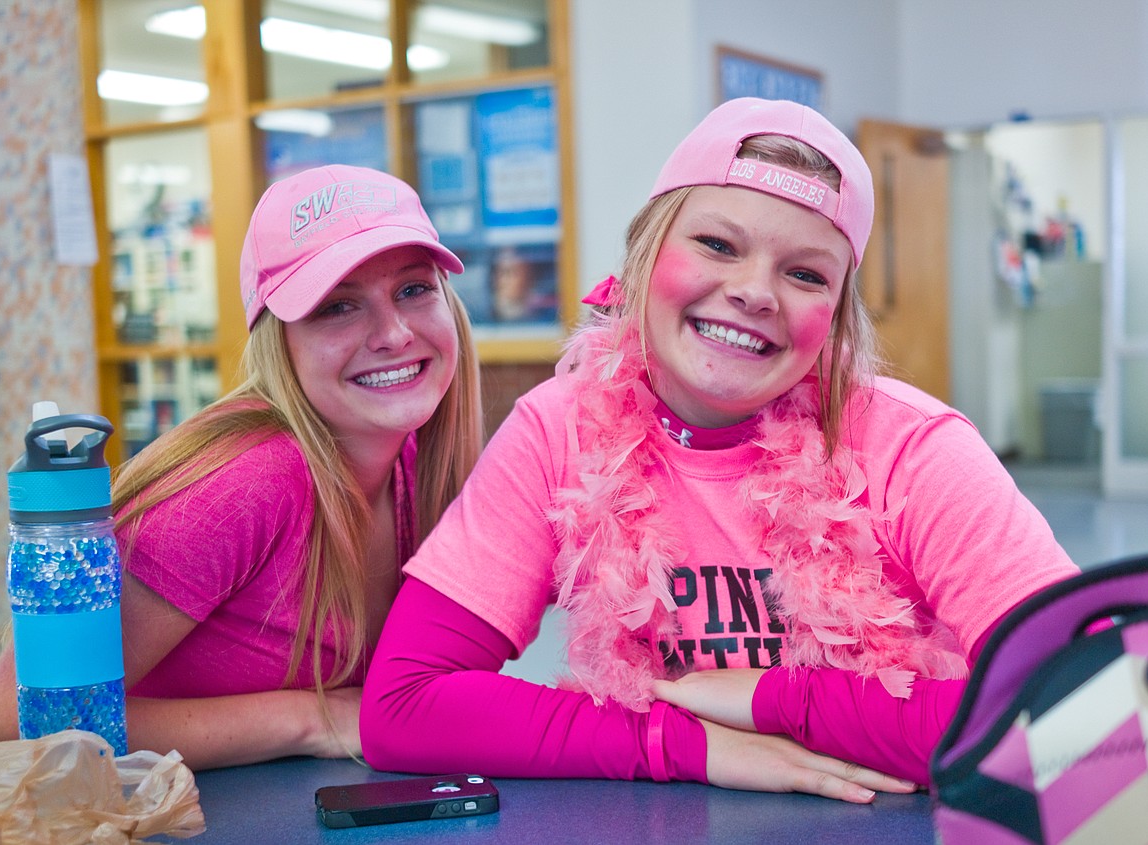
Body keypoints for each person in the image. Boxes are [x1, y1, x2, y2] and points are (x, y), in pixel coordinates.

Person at [357, 99, 1080, 802]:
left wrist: (780, 702)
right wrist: (686, 744)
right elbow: (403, 704)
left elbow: (1080, 715)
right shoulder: (560, 428)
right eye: (718, 245)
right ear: (645, 255)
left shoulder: (918, 450)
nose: (753, 291)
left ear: (835, 317)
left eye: (805, 274)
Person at [0, 165, 483, 770]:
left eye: (413, 289)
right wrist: (307, 718)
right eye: (337, 307)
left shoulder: (416, 461)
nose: (394, 333)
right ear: (278, 341)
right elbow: (13, 727)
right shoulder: (248, 484)